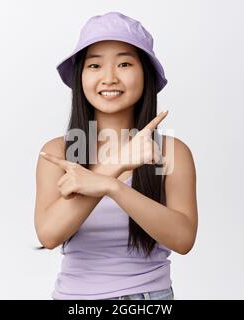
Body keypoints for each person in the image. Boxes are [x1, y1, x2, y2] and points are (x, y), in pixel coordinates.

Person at [34, 11, 198, 300]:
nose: (109, 78)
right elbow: (48, 235)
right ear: (81, 76)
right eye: (94, 65)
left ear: (145, 74)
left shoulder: (172, 153)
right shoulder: (58, 152)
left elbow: (183, 239)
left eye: (124, 63)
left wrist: (112, 187)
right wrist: (116, 165)